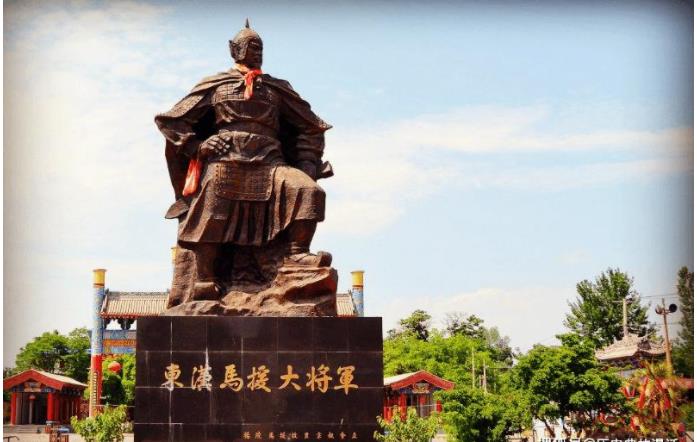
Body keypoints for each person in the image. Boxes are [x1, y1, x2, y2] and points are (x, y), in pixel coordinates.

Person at [155, 20, 332, 301]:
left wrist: (308, 165)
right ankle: (205, 277)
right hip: (226, 161)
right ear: (233, 49)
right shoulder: (216, 86)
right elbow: (171, 121)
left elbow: (311, 127)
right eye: (251, 46)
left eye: (260, 47)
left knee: (309, 191)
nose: (257, 52)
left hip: (271, 163)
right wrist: (197, 146)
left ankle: (297, 254)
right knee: (211, 207)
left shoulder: (275, 88)